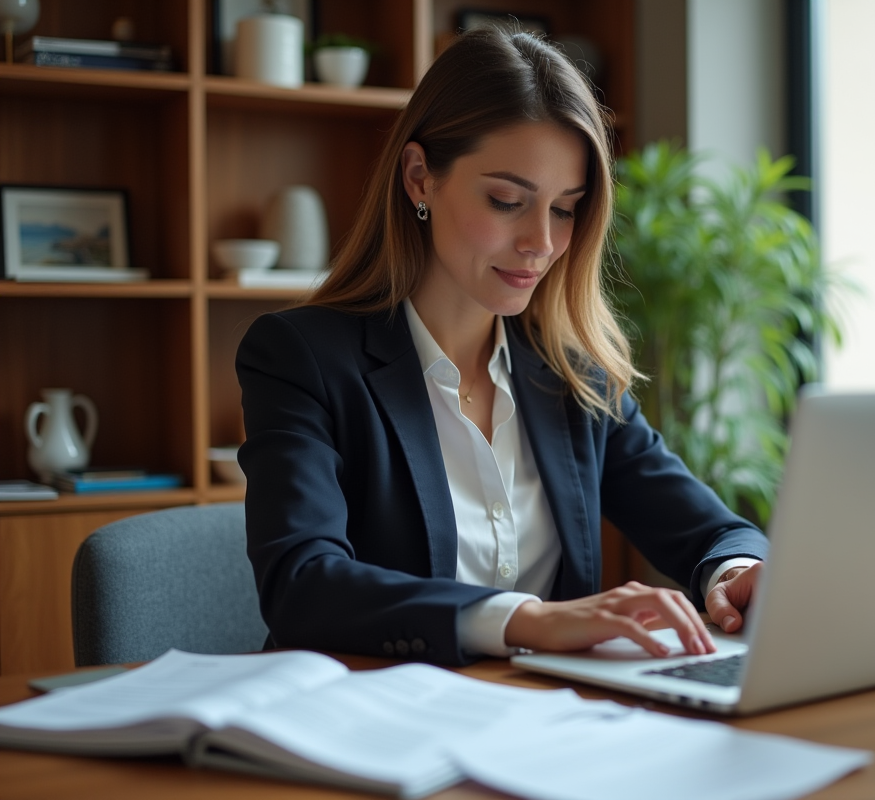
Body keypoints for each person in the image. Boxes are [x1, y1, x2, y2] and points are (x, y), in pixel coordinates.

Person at [235, 27, 769, 668]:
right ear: (419, 179)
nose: (541, 242)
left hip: (543, 727)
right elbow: (303, 586)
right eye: (507, 201)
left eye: (566, 209)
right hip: (370, 729)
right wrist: (527, 620)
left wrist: (735, 573)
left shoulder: (574, 375)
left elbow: (711, 531)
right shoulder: (303, 359)